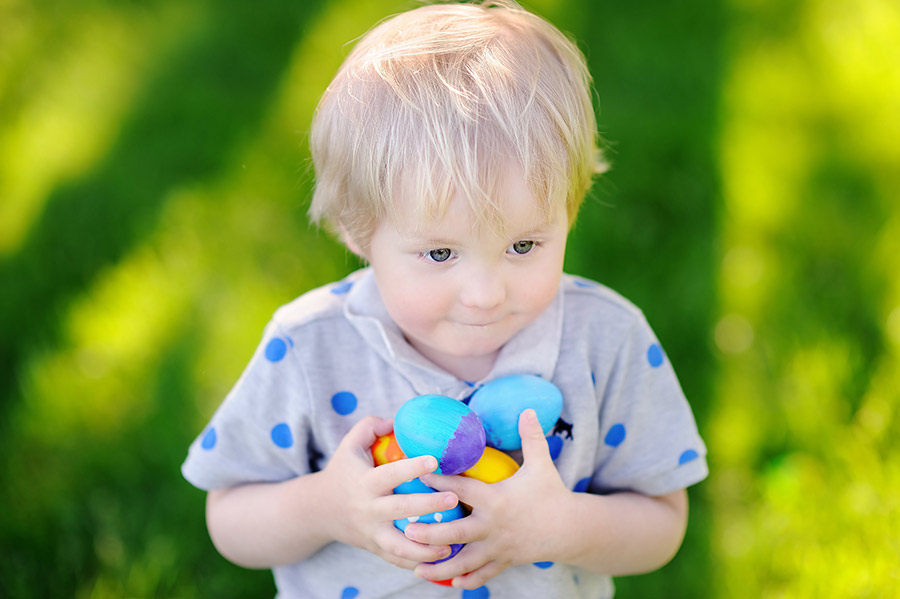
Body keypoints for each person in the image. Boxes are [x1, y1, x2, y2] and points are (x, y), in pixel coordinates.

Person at [181, 1, 708, 597]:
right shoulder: (309, 345)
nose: (485, 295)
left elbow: (663, 523)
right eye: (439, 255)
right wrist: (327, 508)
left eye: (524, 244)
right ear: (360, 230)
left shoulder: (606, 339)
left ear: (571, 208)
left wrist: (559, 527)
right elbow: (229, 520)